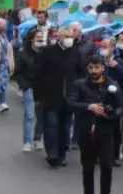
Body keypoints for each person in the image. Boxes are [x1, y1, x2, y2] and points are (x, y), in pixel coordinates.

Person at [68, 56, 123, 194]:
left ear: (102, 68)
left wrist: (110, 114)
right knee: (88, 167)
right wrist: (88, 106)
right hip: (85, 130)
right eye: (91, 68)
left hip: (106, 131)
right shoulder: (80, 85)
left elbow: (120, 107)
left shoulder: (112, 85)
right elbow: (71, 103)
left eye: (97, 68)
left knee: (106, 166)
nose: (94, 71)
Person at [34, 24, 86, 168]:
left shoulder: (75, 53)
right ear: (59, 37)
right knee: (52, 125)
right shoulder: (47, 52)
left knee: (64, 127)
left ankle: (62, 154)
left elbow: (81, 74)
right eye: (67, 37)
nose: (70, 40)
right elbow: (38, 75)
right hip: (50, 96)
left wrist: (79, 94)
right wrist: (38, 97)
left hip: (69, 98)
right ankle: (52, 153)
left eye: (71, 37)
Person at [14, 27, 46, 152]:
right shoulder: (23, 53)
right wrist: (24, 86)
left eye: (42, 37)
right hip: (30, 87)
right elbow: (17, 72)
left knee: (41, 115)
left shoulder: (46, 52)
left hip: (43, 89)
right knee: (30, 115)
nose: (41, 39)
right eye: (38, 37)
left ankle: (37, 139)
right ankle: (27, 141)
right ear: (31, 39)